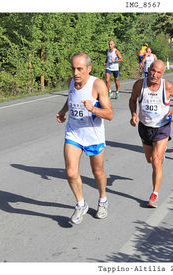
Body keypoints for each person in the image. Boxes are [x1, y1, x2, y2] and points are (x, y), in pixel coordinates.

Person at [57, 53, 113, 224]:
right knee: (70, 172)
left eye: (80, 69)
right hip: (74, 133)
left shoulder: (97, 85)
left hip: (93, 136)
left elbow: (109, 114)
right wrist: (63, 110)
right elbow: (71, 98)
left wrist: (94, 109)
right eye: (73, 68)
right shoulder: (71, 82)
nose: (76, 73)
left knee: (98, 172)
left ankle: (103, 199)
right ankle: (80, 204)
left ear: (89, 69)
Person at [129, 60, 173, 208]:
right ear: (149, 69)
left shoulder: (167, 86)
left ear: (162, 74)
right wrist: (133, 114)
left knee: (157, 161)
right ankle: (159, 154)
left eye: (158, 72)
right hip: (145, 127)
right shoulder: (140, 85)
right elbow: (132, 100)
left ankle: (154, 195)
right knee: (150, 159)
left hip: (162, 127)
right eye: (153, 71)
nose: (155, 74)